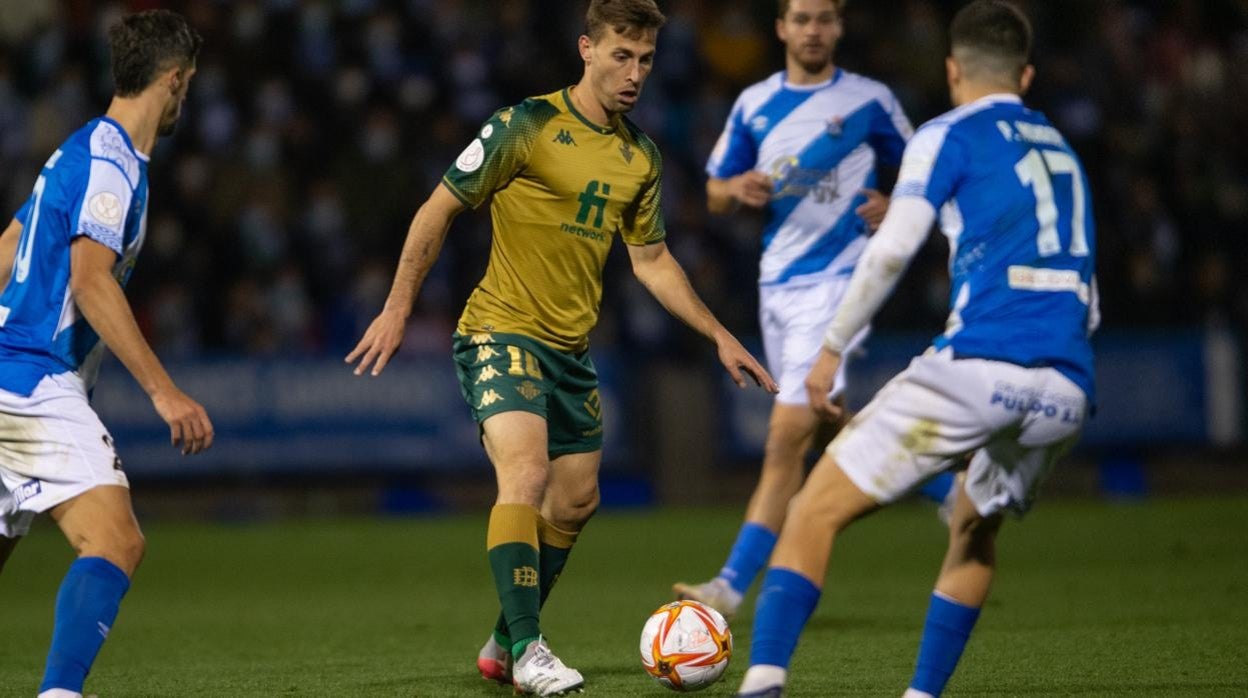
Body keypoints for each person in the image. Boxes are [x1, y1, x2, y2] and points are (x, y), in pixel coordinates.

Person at [345, 1, 777, 694]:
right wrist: (398, 308)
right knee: (525, 474)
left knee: (576, 502)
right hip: (499, 329)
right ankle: (530, 650)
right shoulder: (525, 125)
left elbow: (653, 261)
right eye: (621, 56)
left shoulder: (641, 155)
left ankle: (502, 641)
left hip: (570, 351)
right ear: (586, 49)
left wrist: (719, 333)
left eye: (645, 60)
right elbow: (438, 209)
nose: (634, 74)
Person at [735, 2, 1098, 696]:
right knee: (973, 530)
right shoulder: (1063, 151)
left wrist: (829, 350)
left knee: (812, 510)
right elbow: (1091, 295)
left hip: (981, 362)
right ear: (1024, 76)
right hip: (1066, 388)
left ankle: (762, 684)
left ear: (953, 70)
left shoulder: (948, 134)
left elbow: (893, 248)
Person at [673, 0, 955, 619]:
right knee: (828, 422)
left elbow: (928, 170)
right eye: (802, 18)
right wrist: (734, 189)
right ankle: (947, 487)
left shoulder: (869, 100)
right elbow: (713, 190)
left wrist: (897, 205)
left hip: (839, 286)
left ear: (840, 27)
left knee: (784, 439)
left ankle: (728, 586)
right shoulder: (754, 103)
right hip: (777, 286)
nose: (813, 30)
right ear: (781, 28)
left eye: (825, 18)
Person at [0, 11, 212, 698]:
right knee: (117, 541)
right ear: (174, 80)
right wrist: (163, 392)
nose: (186, 99)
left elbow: (9, 246)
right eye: (188, 85)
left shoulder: (78, 148)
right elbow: (91, 282)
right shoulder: (112, 164)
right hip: (32, 379)